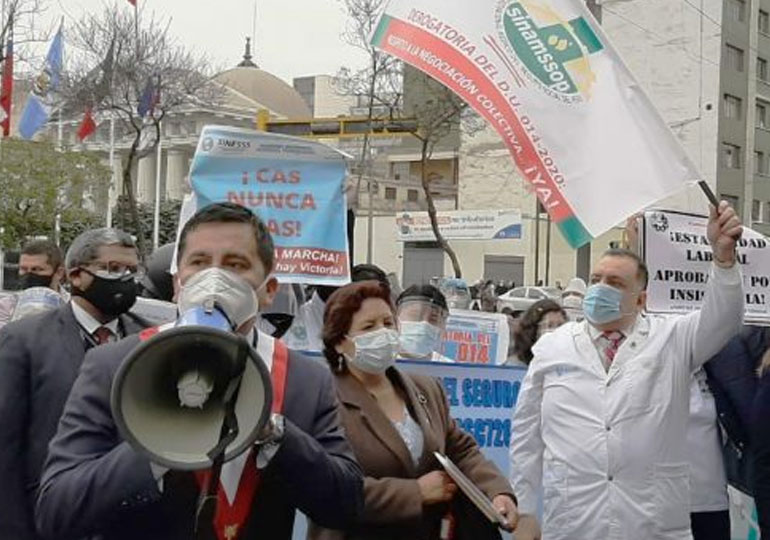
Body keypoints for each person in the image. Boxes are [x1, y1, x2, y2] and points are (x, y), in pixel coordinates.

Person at [35, 202, 363, 540]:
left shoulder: (305, 379)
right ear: (178, 284)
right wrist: (154, 445)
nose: (214, 279)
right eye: (199, 263)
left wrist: (273, 433)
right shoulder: (114, 366)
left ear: (269, 290)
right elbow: (57, 511)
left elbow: (346, 504)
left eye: (236, 265)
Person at [510, 201, 744, 540]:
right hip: (575, 518)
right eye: (596, 279)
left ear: (640, 299)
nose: (600, 288)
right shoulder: (552, 346)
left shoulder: (672, 338)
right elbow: (526, 436)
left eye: (616, 283)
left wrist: (723, 259)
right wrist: (526, 508)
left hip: (650, 520)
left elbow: (723, 319)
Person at [310, 280, 518, 539]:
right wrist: (415, 493)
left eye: (388, 323)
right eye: (369, 327)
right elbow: (327, 488)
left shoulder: (426, 389)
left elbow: (461, 450)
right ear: (340, 342)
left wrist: (497, 491)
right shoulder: (324, 399)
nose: (383, 333)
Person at [0, 228, 149, 540]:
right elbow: (7, 448)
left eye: (132, 270)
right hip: (49, 520)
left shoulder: (151, 340)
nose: (125, 278)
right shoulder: (23, 340)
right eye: (112, 269)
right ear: (76, 276)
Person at [0, 239, 66, 328]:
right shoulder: (6, 306)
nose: (29, 274)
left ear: (59, 273)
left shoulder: (73, 306)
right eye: (23, 269)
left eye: (36, 269)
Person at [396, 284, 453, 363]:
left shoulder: (449, 370)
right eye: (416, 316)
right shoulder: (380, 366)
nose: (424, 324)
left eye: (433, 318)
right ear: (396, 319)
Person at [511, 299, 566, 366]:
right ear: (534, 331)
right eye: (549, 326)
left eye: (560, 325)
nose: (556, 330)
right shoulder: (515, 365)